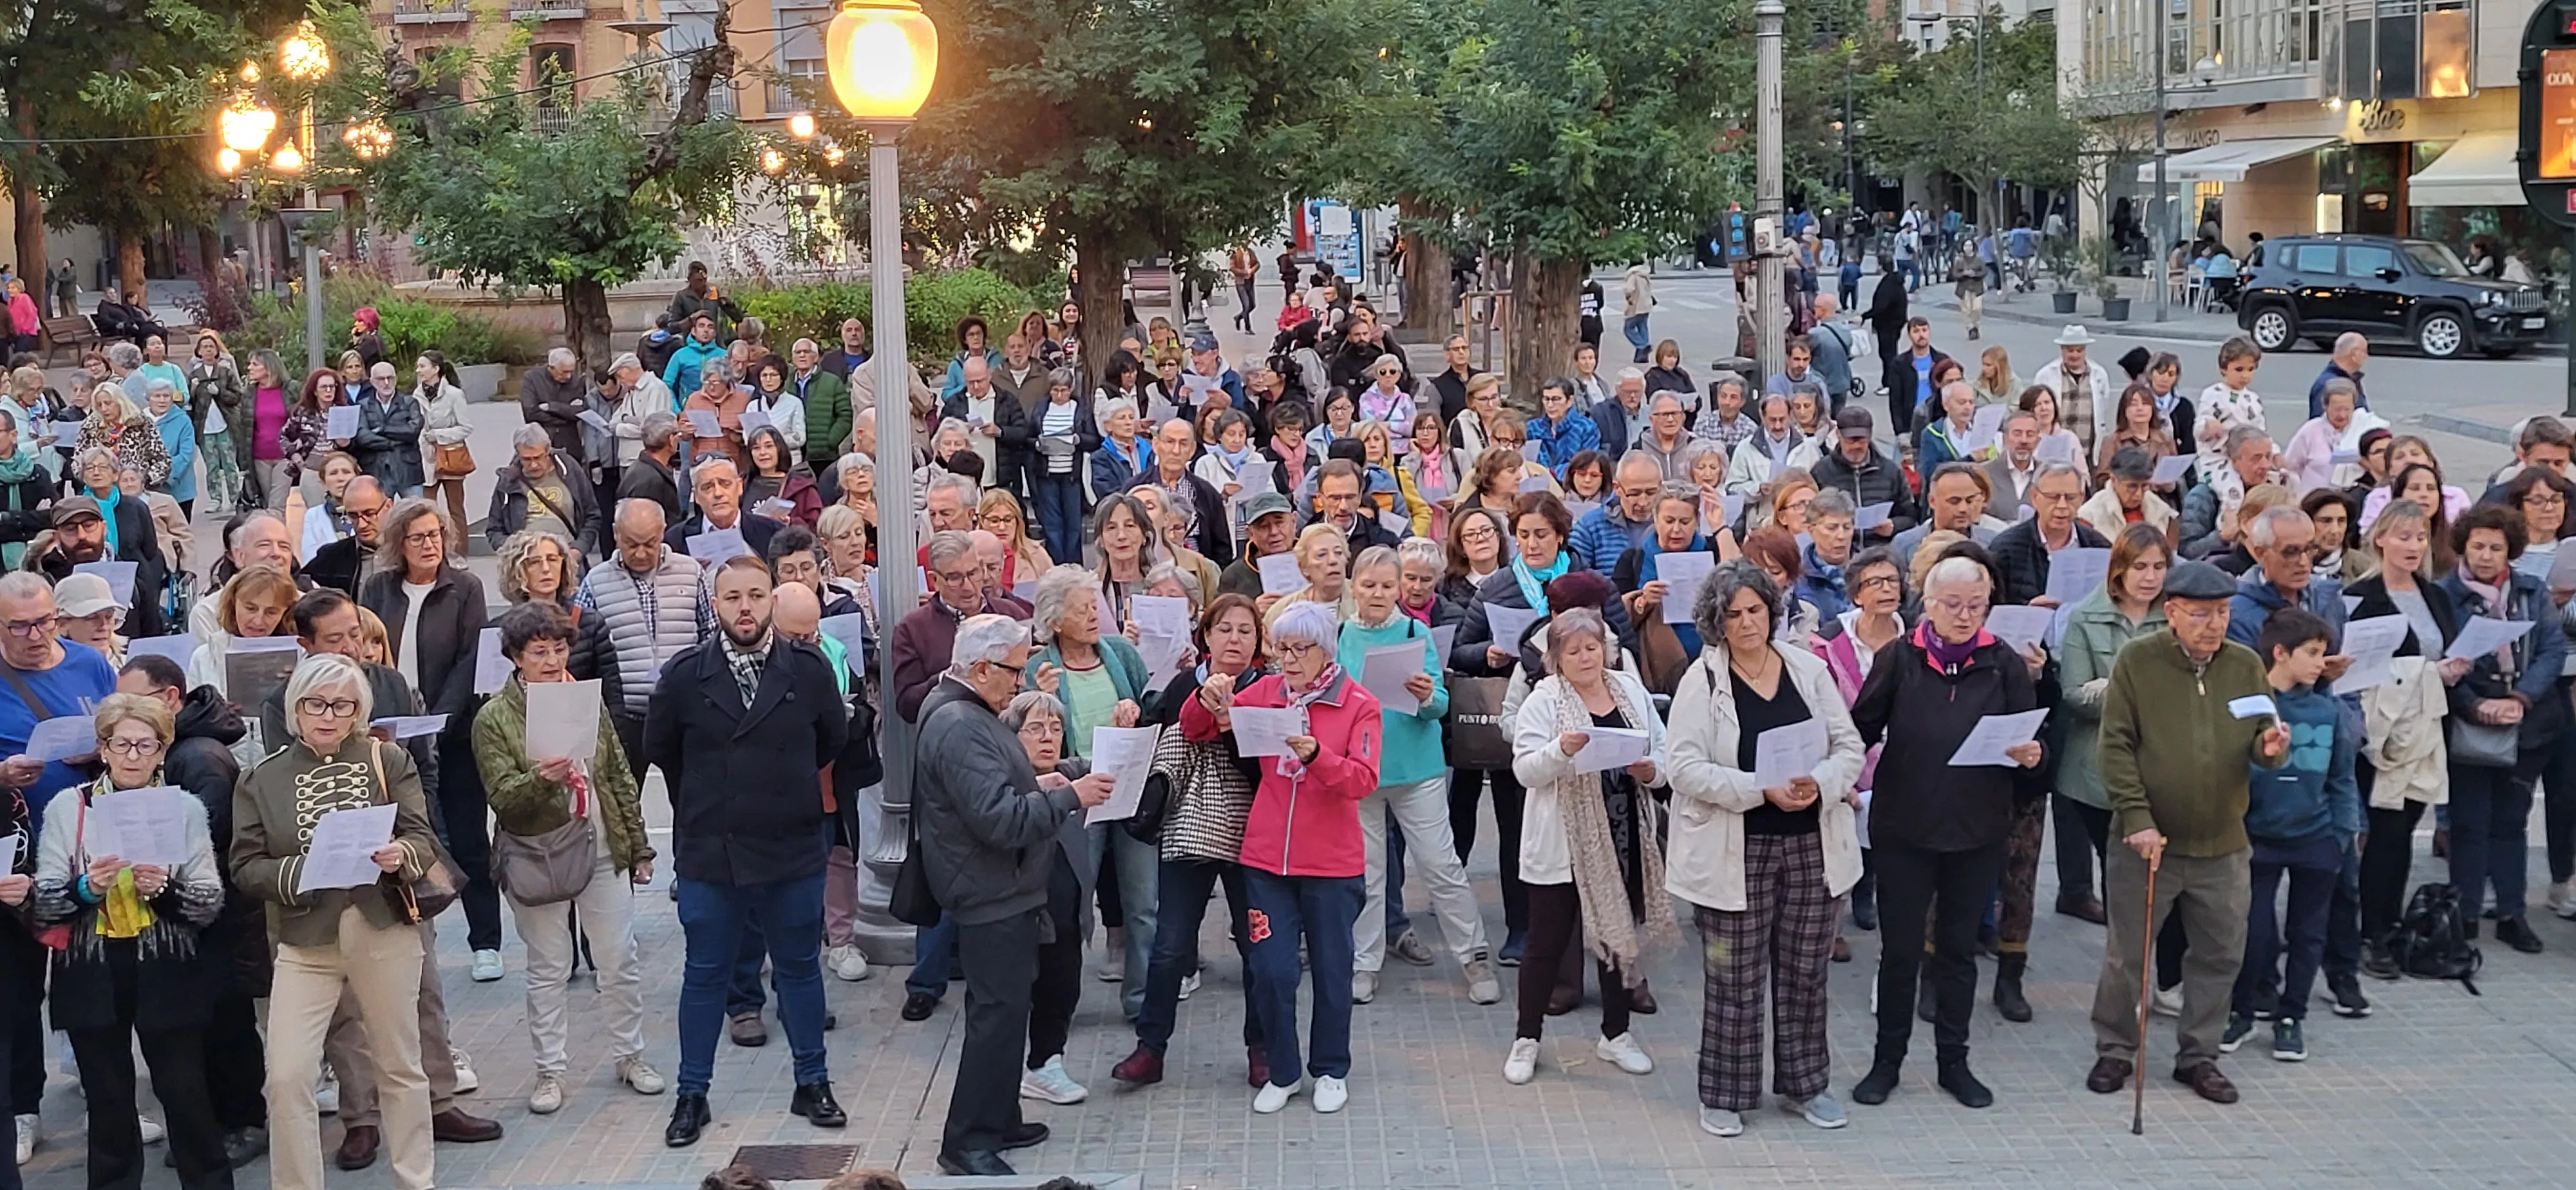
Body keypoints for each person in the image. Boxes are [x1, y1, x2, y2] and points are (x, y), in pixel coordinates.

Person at [647, 556, 849, 1147]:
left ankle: (812, 1081)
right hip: (713, 849)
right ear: (716, 604)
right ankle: (693, 1094)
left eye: (756, 596)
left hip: (791, 846)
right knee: (706, 974)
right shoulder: (686, 674)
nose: (745, 608)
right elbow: (663, 749)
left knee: (800, 969)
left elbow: (830, 738)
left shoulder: (807, 668)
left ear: (771, 602)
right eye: (732, 597)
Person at [1662, 563, 1863, 1134]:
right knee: (1734, 977)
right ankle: (1724, 1093)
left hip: (1811, 847)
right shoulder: (1700, 682)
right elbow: (1683, 768)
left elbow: (1848, 745)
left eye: (1756, 610)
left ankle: (1806, 1085)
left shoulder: (1807, 669)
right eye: (1734, 614)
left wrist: (1820, 783)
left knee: (1805, 972)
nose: (1748, 623)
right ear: (1716, 622)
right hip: (1737, 849)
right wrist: (1758, 789)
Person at [231, 652, 442, 1190]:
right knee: (286, 1077)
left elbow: (423, 836)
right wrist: (300, 872)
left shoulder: (387, 760)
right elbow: (245, 868)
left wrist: (401, 855)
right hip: (305, 939)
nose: (327, 715)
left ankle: (416, 1180)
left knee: (400, 1065)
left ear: (358, 710)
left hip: (382, 927)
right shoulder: (262, 778)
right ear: (295, 709)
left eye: (342, 705)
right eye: (314, 704)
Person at [908, 615, 1106, 1175]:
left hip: (1001, 887)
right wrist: (1071, 797)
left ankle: (998, 1119)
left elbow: (992, 794)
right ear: (979, 668)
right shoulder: (960, 723)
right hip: (990, 891)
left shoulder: (967, 712)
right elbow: (1000, 822)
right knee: (996, 1018)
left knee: (1007, 1011)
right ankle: (966, 1142)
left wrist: (1040, 783)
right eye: (1014, 672)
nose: (1020, 683)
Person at [2085, 559, 2288, 1105]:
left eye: (2222, 613)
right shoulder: (2138, 662)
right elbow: (2116, 747)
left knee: (2220, 953)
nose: (2214, 625)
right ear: (2171, 613)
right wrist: (2137, 819)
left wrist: (2271, 751)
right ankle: (2115, 1049)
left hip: (2223, 844)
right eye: (2201, 615)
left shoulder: (2246, 664)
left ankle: (2199, 1055)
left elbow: (2260, 738)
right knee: (2129, 953)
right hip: (2148, 844)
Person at [1848, 556, 2045, 1108]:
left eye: (1975, 605)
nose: (1964, 615)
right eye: (1952, 604)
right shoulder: (1900, 658)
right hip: (1904, 828)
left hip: (1977, 830)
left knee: (1957, 954)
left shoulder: (2003, 663)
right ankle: (1886, 1062)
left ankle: (1953, 1063)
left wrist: (2032, 754)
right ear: (1927, 605)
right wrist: (1837, 776)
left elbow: (2028, 737)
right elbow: (1859, 729)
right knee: (1901, 953)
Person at [1184, 601, 1380, 1115]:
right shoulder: (1266, 693)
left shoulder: (1358, 703)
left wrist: (1317, 757)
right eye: (1282, 649)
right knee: (1270, 969)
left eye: (1300, 650)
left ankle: (1332, 1068)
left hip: (1333, 864)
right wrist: (1207, 698)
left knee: (1333, 971)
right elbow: (1199, 727)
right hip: (1267, 858)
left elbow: (1363, 779)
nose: (1288, 661)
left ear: (1326, 652)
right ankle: (1284, 1069)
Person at [33, 692, 230, 1190]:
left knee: (185, 1092)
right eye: (123, 745)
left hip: (166, 966)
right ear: (103, 749)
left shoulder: (183, 808)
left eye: (147, 745)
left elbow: (208, 903)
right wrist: (86, 888)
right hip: (92, 968)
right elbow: (44, 903)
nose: (134, 757)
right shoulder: (67, 808)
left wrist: (163, 889)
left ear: (164, 751)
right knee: (108, 1099)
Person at [471, 601, 662, 1114]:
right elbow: (503, 798)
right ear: (516, 657)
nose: (553, 661)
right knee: (548, 966)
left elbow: (618, 773)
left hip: (600, 845)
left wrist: (638, 845)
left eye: (559, 649)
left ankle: (630, 1055)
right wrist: (542, 778)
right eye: (539, 652)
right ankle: (550, 1070)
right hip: (539, 854)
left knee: (619, 958)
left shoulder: (586, 700)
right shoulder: (494, 717)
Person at [1110, 594, 1271, 1088]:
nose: (1235, 640)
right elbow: (1159, 745)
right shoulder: (1184, 684)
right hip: (1190, 828)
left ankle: (1262, 1048)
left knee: (1257, 946)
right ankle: (1150, 1048)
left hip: (1252, 833)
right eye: (1224, 629)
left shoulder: (1269, 689)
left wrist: (1233, 725)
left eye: (1246, 631)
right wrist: (1132, 719)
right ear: (1205, 636)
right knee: (1170, 944)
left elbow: (1268, 768)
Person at [1339, 545, 1496, 1005]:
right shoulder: (1340, 635)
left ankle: (1474, 956)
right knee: (1366, 873)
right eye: (1368, 586)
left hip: (1417, 769)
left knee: (1441, 865)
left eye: (1388, 586)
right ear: (1353, 588)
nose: (1378, 594)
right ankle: (1364, 962)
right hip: (1363, 771)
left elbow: (1441, 706)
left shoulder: (1415, 632)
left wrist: (1428, 695)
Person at [357, 502, 502, 978]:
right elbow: (368, 649)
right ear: (400, 543)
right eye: (418, 537)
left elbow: (470, 659)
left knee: (465, 835)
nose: (429, 545)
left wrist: (440, 717)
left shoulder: (465, 588)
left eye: (436, 535)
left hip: (452, 729)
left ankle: (486, 941)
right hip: (391, 731)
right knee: (403, 836)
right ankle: (416, 927)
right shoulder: (378, 587)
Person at [2222, 607, 2360, 1061]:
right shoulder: (2246, 706)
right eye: (2313, 653)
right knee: (2253, 930)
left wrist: (2343, 833)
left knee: (2309, 933)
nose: (2322, 662)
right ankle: (2242, 1009)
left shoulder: (2328, 710)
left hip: (2315, 838)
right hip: (2257, 838)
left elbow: (2343, 777)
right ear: (2280, 654)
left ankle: (2291, 1016)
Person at [2439, 503, 2563, 954]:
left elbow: (2551, 649)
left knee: (2512, 820)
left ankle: (2512, 912)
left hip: (2526, 720)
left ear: (2511, 550)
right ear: (2463, 547)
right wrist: (2475, 705)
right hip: (2470, 719)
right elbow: (2442, 659)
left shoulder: (2531, 590)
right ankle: (2465, 912)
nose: (2487, 556)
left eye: (2496, 547)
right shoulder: (2444, 595)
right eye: (2478, 547)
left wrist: (2519, 698)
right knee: (2469, 821)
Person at [2056, 523, 2172, 925]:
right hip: (2100, 768)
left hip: (2163, 764)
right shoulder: (2087, 616)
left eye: (2159, 567)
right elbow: (2073, 693)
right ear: (2119, 568)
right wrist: (2126, 690)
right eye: (2140, 567)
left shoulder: (2174, 615)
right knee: (2120, 870)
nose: (2150, 577)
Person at [577, 500, 707, 778]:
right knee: (623, 806)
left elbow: (710, 633)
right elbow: (581, 647)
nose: (640, 553)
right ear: (615, 534)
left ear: (663, 532)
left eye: (649, 543)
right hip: (626, 717)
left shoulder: (692, 572)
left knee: (692, 806)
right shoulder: (595, 582)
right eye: (631, 543)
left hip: (684, 713)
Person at [486, 424, 602, 559]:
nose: (533, 465)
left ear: (548, 451)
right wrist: (513, 551)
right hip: (526, 560)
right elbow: (494, 529)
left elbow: (592, 515)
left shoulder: (569, 470)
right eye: (526, 459)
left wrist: (579, 549)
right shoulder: (508, 481)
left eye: (538, 457)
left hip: (567, 556)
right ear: (518, 454)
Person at [1810, 408, 1913, 541]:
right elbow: (1810, 518)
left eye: (1862, 441)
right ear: (1838, 435)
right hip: (1838, 549)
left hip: (1880, 550)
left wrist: (1894, 526)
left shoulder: (1891, 471)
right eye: (1850, 441)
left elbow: (1910, 516)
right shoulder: (1821, 472)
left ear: (1870, 436)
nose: (1856, 446)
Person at [412, 355, 475, 548]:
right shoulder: (416, 395)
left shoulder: (454, 394)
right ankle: (433, 549)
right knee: (426, 508)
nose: (418, 370)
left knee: (455, 509)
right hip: (427, 458)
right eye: (418, 367)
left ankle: (460, 551)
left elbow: (466, 427)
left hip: (450, 457)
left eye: (422, 366)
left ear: (436, 369)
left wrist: (438, 435)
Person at [2309, 333, 2369, 420]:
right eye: (2364, 352)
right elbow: (2322, 425)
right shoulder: (2328, 385)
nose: (2366, 357)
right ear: (2355, 353)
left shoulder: (2350, 380)